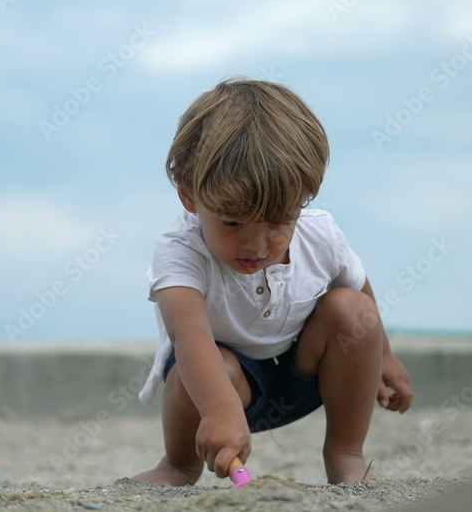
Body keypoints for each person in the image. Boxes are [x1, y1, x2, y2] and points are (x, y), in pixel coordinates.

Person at [132, 77, 413, 486]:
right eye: (232, 222)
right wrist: (219, 410)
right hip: (215, 382)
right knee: (211, 367)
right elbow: (189, 331)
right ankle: (178, 465)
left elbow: (361, 293)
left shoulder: (321, 234)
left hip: (303, 373)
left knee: (351, 309)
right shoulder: (180, 249)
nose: (256, 245)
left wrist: (384, 357)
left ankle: (346, 455)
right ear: (190, 196)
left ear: (304, 198)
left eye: (280, 221)